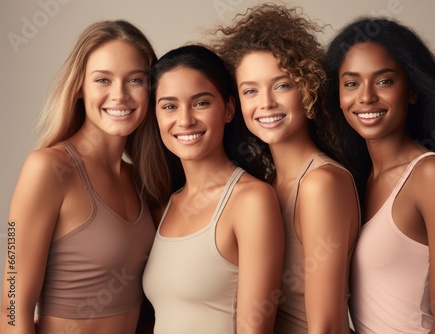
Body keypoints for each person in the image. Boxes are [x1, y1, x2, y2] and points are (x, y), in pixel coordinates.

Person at [323, 17, 435, 333]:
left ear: (413, 90)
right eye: (351, 83)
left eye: (384, 81)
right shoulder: (351, 179)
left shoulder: (431, 175)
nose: (365, 97)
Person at [0, 20, 157, 334]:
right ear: (79, 89)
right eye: (103, 80)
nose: (120, 95)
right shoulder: (48, 168)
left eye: (135, 80)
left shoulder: (143, 180)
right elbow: (12, 304)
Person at [212, 4, 360, 333]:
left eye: (281, 85)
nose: (265, 103)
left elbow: (328, 326)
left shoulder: (321, 183)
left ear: (307, 88)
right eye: (250, 90)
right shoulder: (266, 184)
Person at [140, 44, 284, 334]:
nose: (185, 119)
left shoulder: (251, 200)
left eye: (201, 103)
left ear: (229, 109)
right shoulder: (165, 204)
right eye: (169, 106)